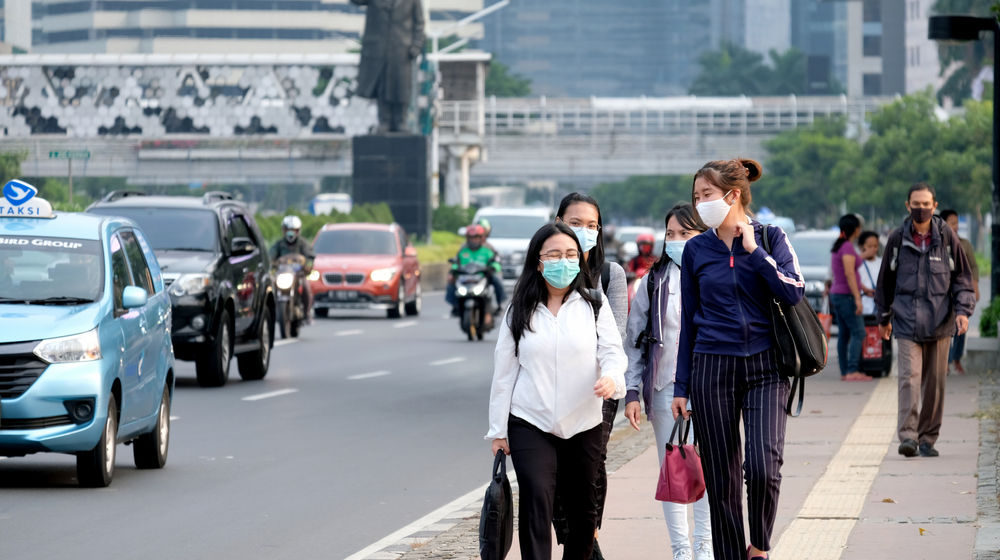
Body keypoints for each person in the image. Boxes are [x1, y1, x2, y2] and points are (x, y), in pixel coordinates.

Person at [673, 158, 804, 560]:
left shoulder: (771, 237)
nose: (700, 204)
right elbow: (689, 324)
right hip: (711, 367)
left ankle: (760, 546)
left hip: (767, 366)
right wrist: (681, 386)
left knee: (764, 466)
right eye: (696, 197)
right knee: (722, 476)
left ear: (733, 194)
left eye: (706, 195)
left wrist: (756, 254)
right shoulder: (696, 250)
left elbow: (794, 292)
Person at [487, 222, 627, 560]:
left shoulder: (593, 303)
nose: (563, 261)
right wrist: (498, 430)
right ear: (538, 261)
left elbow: (613, 351)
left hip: (583, 422)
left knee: (582, 511)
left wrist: (612, 378)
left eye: (570, 254)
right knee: (536, 498)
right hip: (529, 421)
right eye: (554, 254)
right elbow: (504, 373)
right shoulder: (519, 309)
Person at [624, 202, 713, 560]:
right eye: (671, 234)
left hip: (711, 389)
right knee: (674, 469)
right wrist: (631, 390)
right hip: (664, 391)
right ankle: (680, 550)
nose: (676, 240)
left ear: (704, 235)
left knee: (710, 470)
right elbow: (633, 340)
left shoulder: (716, 273)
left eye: (685, 233)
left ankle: (704, 547)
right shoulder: (653, 282)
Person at [552, 192, 628, 560]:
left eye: (592, 225)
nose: (584, 231)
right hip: (551, 386)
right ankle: (579, 542)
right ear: (558, 222)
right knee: (553, 467)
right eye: (575, 222)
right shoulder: (543, 269)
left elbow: (617, 337)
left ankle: (585, 541)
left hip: (599, 387)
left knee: (589, 465)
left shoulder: (610, 274)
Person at [875, 184, 975, 458]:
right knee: (909, 378)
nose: (921, 209)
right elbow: (884, 282)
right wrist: (883, 318)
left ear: (935, 205)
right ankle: (908, 437)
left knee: (935, 384)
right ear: (908, 206)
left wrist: (963, 311)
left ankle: (928, 438)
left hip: (941, 322)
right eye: (916, 204)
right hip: (907, 323)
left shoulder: (946, 238)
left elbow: (962, 279)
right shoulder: (897, 239)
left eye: (926, 204)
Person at [350, 0, 425, 133]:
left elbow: (419, 22)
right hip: (378, 49)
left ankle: (401, 120)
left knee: (401, 87)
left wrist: (417, 44)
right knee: (382, 87)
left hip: (402, 48)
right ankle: (384, 120)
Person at [829, 214, 872, 382]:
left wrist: (864, 289)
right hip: (845, 296)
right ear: (855, 229)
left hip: (839, 294)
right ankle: (852, 370)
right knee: (858, 332)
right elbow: (848, 273)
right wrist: (858, 298)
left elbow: (847, 273)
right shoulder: (846, 247)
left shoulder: (839, 246)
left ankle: (845, 371)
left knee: (844, 334)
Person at [940, 209, 980, 374]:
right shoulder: (938, 243)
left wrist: (974, 287)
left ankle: (956, 359)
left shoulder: (965, 244)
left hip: (960, 292)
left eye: (957, 222)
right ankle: (945, 362)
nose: (956, 226)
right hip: (942, 294)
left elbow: (973, 266)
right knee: (944, 328)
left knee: (961, 326)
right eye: (952, 222)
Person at [445, 224, 504, 317]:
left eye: (476, 237)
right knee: (451, 282)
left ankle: (499, 305)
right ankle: (455, 306)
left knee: (497, 281)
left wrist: (492, 268)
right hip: (465, 277)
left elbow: (497, 261)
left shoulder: (487, 250)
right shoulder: (463, 250)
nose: (473, 240)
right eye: (471, 238)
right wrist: (452, 272)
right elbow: (456, 263)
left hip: (483, 276)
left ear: (481, 238)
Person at [270, 215, 316, 318]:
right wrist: (271, 265)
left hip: (299, 274)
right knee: (271, 288)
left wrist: (308, 266)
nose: (290, 232)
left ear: (298, 231)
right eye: (287, 229)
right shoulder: (279, 244)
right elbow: (271, 256)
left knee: (306, 288)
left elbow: (310, 257)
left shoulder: (303, 243)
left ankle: (306, 312)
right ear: (283, 230)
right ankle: (272, 313)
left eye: (293, 230)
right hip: (282, 274)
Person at [857, 230, 881, 316]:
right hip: (862, 305)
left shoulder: (881, 262)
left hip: (879, 307)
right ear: (861, 246)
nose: (873, 249)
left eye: (875, 246)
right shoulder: (857, 262)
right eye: (869, 246)